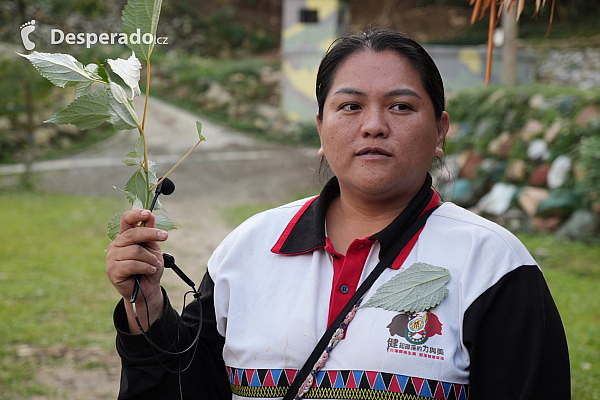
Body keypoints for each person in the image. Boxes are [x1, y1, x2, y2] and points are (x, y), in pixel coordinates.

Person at [106, 28, 570, 400]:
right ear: (321, 128)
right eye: (349, 106)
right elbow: (190, 385)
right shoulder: (248, 250)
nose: (373, 125)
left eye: (401, 106)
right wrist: (146, 305)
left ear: (440, 130)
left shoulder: (494, 266)